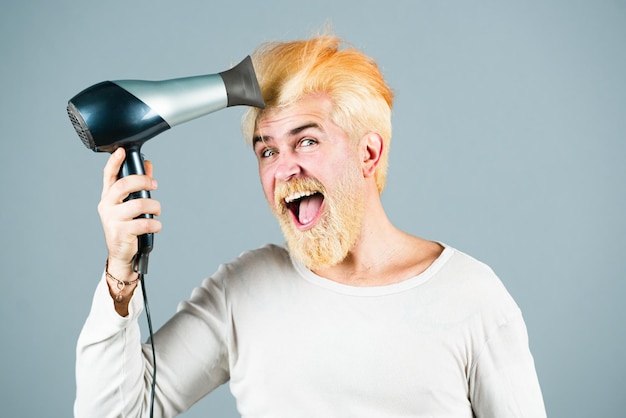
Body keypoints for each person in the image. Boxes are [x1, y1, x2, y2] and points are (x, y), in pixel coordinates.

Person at [75, 34, 546, 418]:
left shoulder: (472, 296)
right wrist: (120, 274)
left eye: (306, 141)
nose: (283, 169)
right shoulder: (243, 290)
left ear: (369, 153)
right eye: (267, 150)